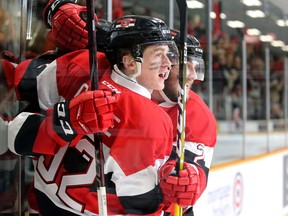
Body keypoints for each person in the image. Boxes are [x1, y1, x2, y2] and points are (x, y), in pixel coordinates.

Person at [8, 15, 180, 215]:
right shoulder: (151, 118)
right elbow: (140, 202)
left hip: (40, 203)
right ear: (130, 62)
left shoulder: (84, 63)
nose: (168, 64)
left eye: (168, 55)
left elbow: (23, 81)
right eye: (159, 55)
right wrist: (167, 193)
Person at [152, 30, 217, 215]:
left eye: (196, 67)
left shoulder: (197, 114)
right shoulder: (134, 95)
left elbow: (189, 184)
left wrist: (192, 178)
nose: (192, 75)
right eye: (185, 66)